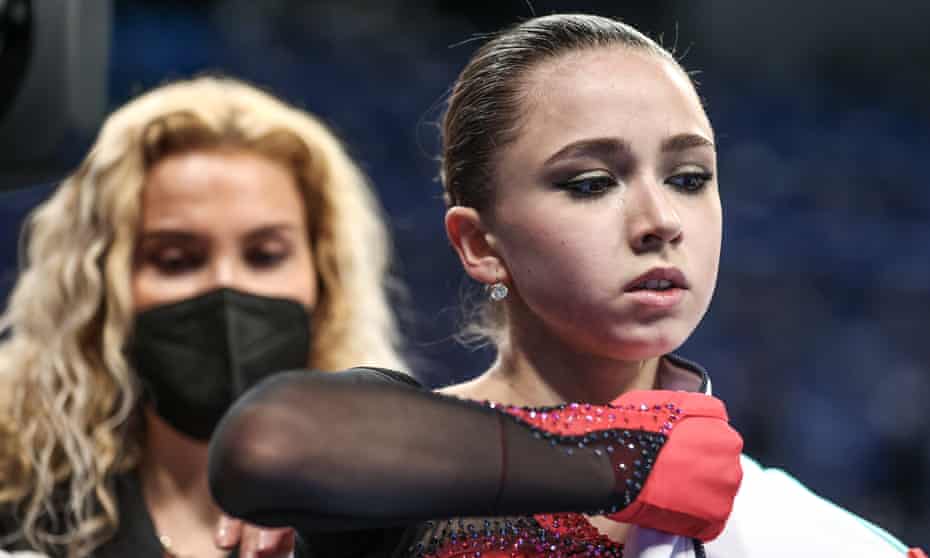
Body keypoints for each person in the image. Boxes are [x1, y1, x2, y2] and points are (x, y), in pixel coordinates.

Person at [206, 13, 927, 558]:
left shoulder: (798, 534)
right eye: (590, 183)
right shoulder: (383, 465)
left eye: (688, 177)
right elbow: (265, 443)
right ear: (481, 246)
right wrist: (619, 459)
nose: (659, 220)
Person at [0, 76, 406, 557]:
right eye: (176, 260)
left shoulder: (389, 517)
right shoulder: (19, 514)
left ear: (323, 278)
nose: (225, 286)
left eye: (264, 255)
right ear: (103, 289)